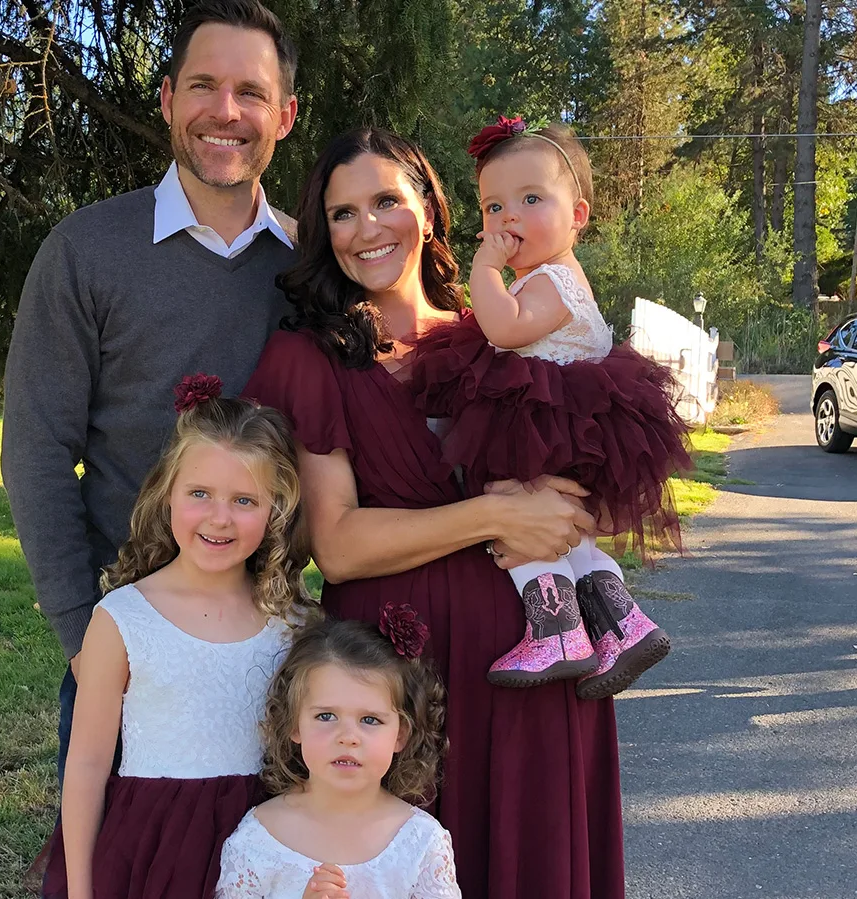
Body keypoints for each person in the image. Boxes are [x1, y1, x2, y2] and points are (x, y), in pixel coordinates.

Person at [243, 127, 624, 898]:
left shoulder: (499, 323)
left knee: (535, 859)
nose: (368, 227)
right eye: (342, 213)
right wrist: (494, 514)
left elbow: (585, 469)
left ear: (428, 206)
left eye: (386, 199)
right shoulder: (311, 356)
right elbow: (339, 545)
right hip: (398, 678)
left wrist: (576, 510)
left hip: (537, 659)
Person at [0, 0, 300, 857]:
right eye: (203, 85)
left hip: (273, 650)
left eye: (251, 91)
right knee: (124, 867)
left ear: (282, 115)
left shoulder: (310, 268)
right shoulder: (87, 251)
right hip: (125, 648)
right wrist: (78, 635)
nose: (225, 111)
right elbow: (35, 452)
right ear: (168, 99)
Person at [411, 116, 690, 697]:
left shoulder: (551, 282)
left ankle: (558, 630)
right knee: (574, 536)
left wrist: (485, 269)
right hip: (570, 421)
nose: (507, 218)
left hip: (546, 422)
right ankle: (623, 626)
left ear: (578, 216)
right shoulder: (555, 276)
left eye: (530, 198)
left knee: (512, 509)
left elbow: (505, 330)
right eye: (492, 207)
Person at [41, 376, 317, 899]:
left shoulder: (296, 625)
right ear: (167, 494)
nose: (219, 517)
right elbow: (87, 764)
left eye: (244, 500)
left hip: (266, 844)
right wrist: (80, 890)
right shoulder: (123, 618)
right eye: (199, 494)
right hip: (154, 846)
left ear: (276, 508)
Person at [215, 608, 459, 899]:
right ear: (294, 724)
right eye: (326, 716)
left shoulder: (421, 841)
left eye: (370, 720)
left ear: (400, 735)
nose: (347, 737)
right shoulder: (258, 838)